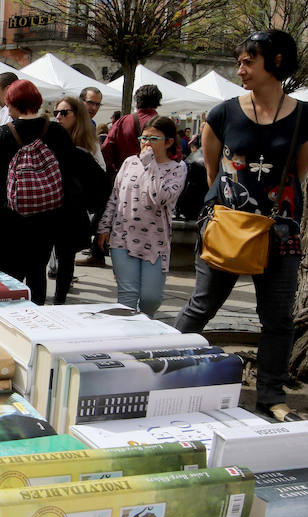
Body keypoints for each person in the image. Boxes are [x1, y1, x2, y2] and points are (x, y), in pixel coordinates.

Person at [175, 30, 308, 422]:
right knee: (202, 306)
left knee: (278, 317)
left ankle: (269, 394)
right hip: (229, 225)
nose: (241, 69)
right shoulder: (223, 112)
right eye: (240, 61)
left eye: (249, 61)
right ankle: (164, 369)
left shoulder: (304, 116)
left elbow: (298, 173)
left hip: (280, 231)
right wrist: (230, 205)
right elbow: (214, 170)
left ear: (277, 63)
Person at [0, 80, 76, 305]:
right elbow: (68, 171)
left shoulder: (5, 133)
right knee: (38, 270)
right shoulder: (56, 132)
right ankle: (36, 313)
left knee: (10, 273)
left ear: (12, 104)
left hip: (11, 218)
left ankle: (12, 317)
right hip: (48, 216)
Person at [97, 116, 186, 316]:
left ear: (169, 142)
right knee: (127, 296)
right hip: (123, 238)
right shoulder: (129, 162)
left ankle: (144, 330)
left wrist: (150, 164)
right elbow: (115, 197)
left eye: (153, 139)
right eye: (143, 138)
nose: (146, 143)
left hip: (155, 242)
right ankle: (127, 340)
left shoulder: (177, 169)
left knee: (151, 298)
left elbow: (160, 198)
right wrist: (104, 227)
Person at [80, 84, 163, 268]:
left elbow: (107, 149)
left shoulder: (124, 121)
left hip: (122, 179)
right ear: (157, 102)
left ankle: (101, 254)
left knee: (113, 217)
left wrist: (111, 174)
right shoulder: (162, 124)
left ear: (137, 101)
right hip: (154, 181)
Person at [51, 96, 109, 304]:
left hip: (70, 210)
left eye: (64, 112)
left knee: (66, 259)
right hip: (48, 208)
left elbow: (100, 179)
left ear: (77, 116)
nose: (58, 116)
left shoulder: (88, 145)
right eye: (56, 112)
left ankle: (59, 302)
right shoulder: (49, 139)